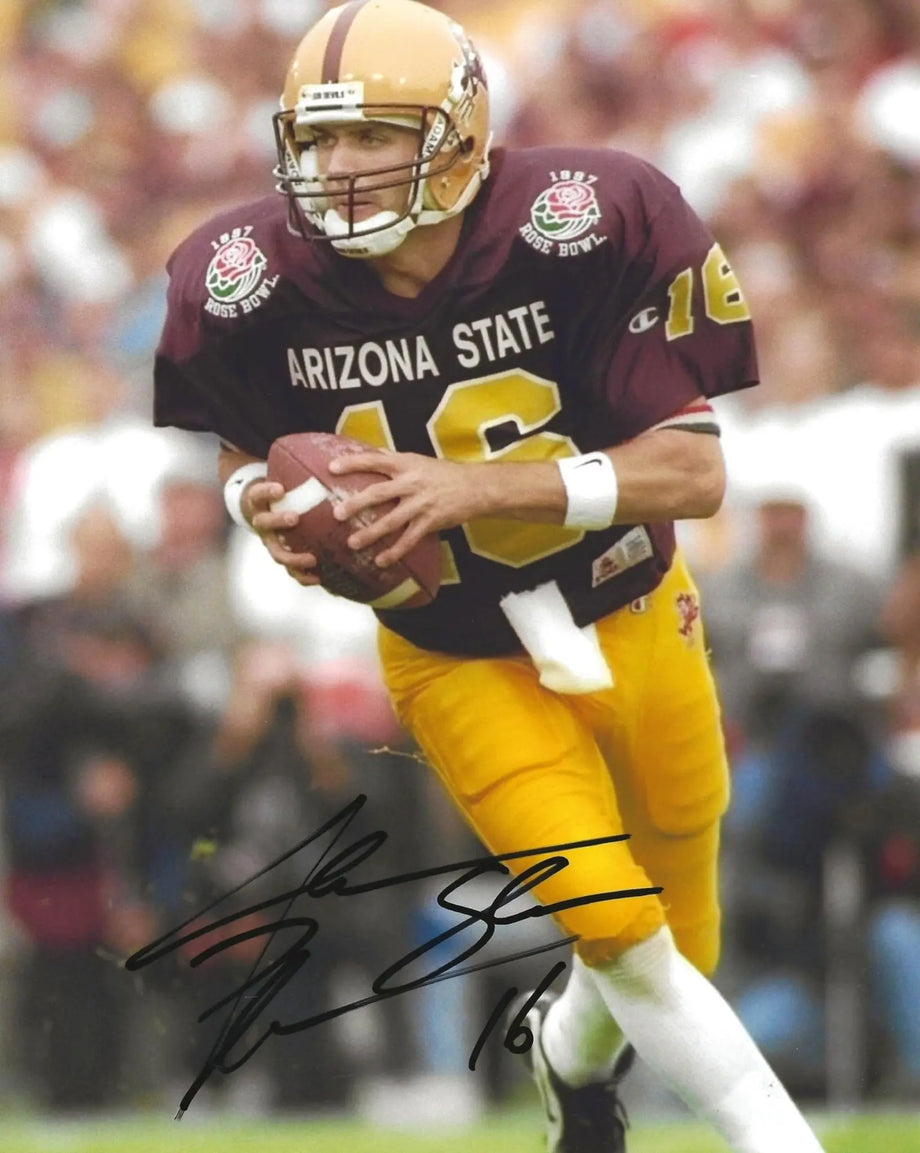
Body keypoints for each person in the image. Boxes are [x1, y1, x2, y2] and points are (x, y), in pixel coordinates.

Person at [152, 2, 824, 1149]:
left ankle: (567, 1055)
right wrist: (254, 501)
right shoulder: (242, 276)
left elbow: (691, 472)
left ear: (460, 133)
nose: (338, 167)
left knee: (680, 939)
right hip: (454, 646)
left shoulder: (585, 220)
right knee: (612, 921)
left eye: (371, 135)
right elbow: (239, 447)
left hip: (629, 603)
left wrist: (472, 488)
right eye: (317, 139)